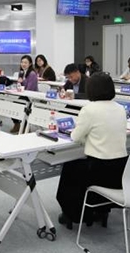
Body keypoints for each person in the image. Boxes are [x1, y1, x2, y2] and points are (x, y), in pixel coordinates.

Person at [56, 72, 128, 230]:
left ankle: (72, 214)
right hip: (119, 171)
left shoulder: (89, 110)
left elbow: (75, 137)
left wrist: (84, 137)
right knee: (78, 168)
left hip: (97, 170)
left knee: (69, 168)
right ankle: (100, 210)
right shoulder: (120, 108)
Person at [10, 55, 38, 133]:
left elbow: (30, 89)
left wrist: (21, 87)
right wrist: (18, 84)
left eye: (25, 62)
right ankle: (17, 125)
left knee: (19, 106)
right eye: (22, 62)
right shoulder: (21, 73)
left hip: (31, 97)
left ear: (30, 64)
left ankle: (25, 127)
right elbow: (19, 86)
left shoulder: (32, 74)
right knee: (13, 105)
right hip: (24, 96)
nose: (23, 64)